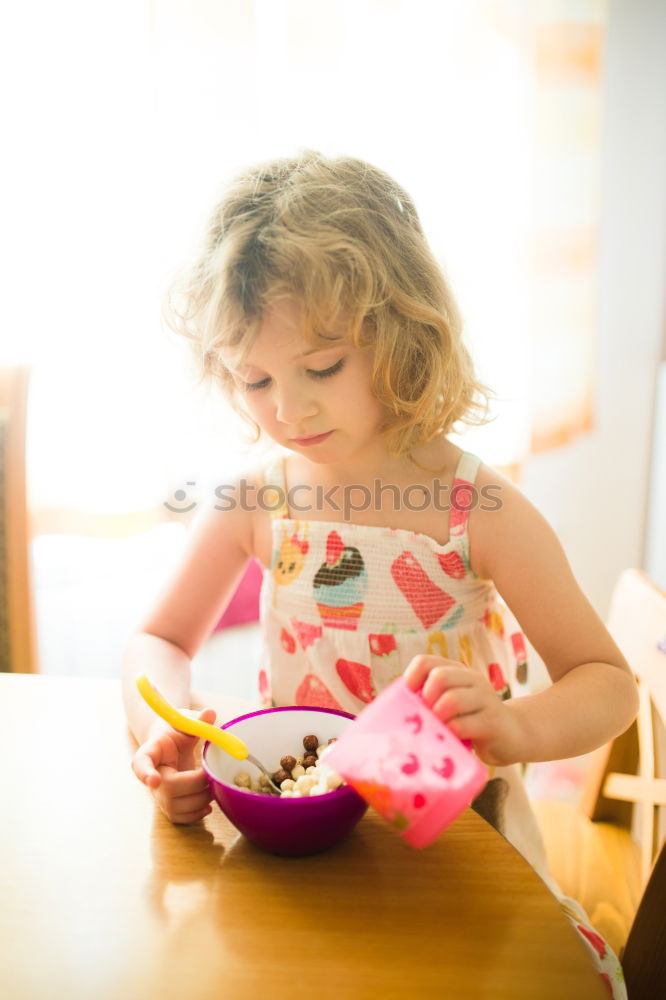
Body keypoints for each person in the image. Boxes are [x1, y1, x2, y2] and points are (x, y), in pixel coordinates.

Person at [122, 151, 637, 997]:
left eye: (320, 368)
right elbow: (159, 637)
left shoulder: (479, 509)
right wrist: (166, 728)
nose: (287, 410)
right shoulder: (256, 498)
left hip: (459, 850)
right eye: (254, 379)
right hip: (309, 854)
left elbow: (608, 683)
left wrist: (514, 728)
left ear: (401, 336)